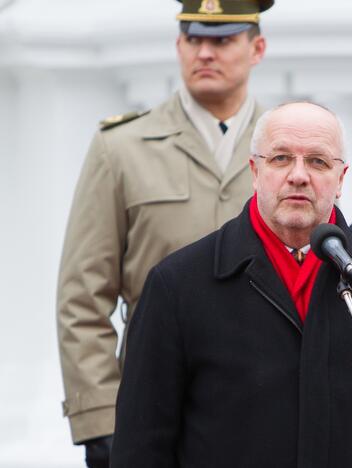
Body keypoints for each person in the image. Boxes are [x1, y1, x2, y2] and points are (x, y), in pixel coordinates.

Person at [109, 102, 352, 467]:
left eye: (318, 162)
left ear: (341, 179)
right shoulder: (178, 286)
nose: (298, 176)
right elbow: (140, 446)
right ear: (255, 171)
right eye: (281, 159)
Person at [56, 1, 271, 466]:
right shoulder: (121, 148)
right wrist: (101, 420)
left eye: (222, 40)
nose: (205, 53)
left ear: (257, 48)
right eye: (194, 39)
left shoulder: (286, 150)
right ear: (178, 45)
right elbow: (82, 297)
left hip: (267, 409)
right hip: (152, 408)